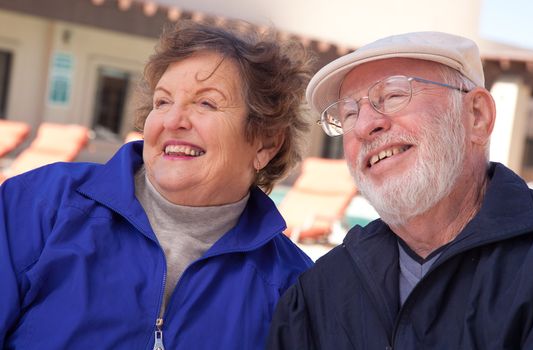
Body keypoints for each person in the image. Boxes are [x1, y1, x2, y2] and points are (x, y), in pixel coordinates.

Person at [0, 20, 314, 349]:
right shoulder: (41, 204)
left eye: (206, 103)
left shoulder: (292, 286)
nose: (172, 121)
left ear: (266, 142)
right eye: (162, 102)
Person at [267, 31, 533, 349]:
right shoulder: (318, 292)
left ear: (477, 116)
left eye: (392, 95)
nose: (364, 126)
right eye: (348, 114)